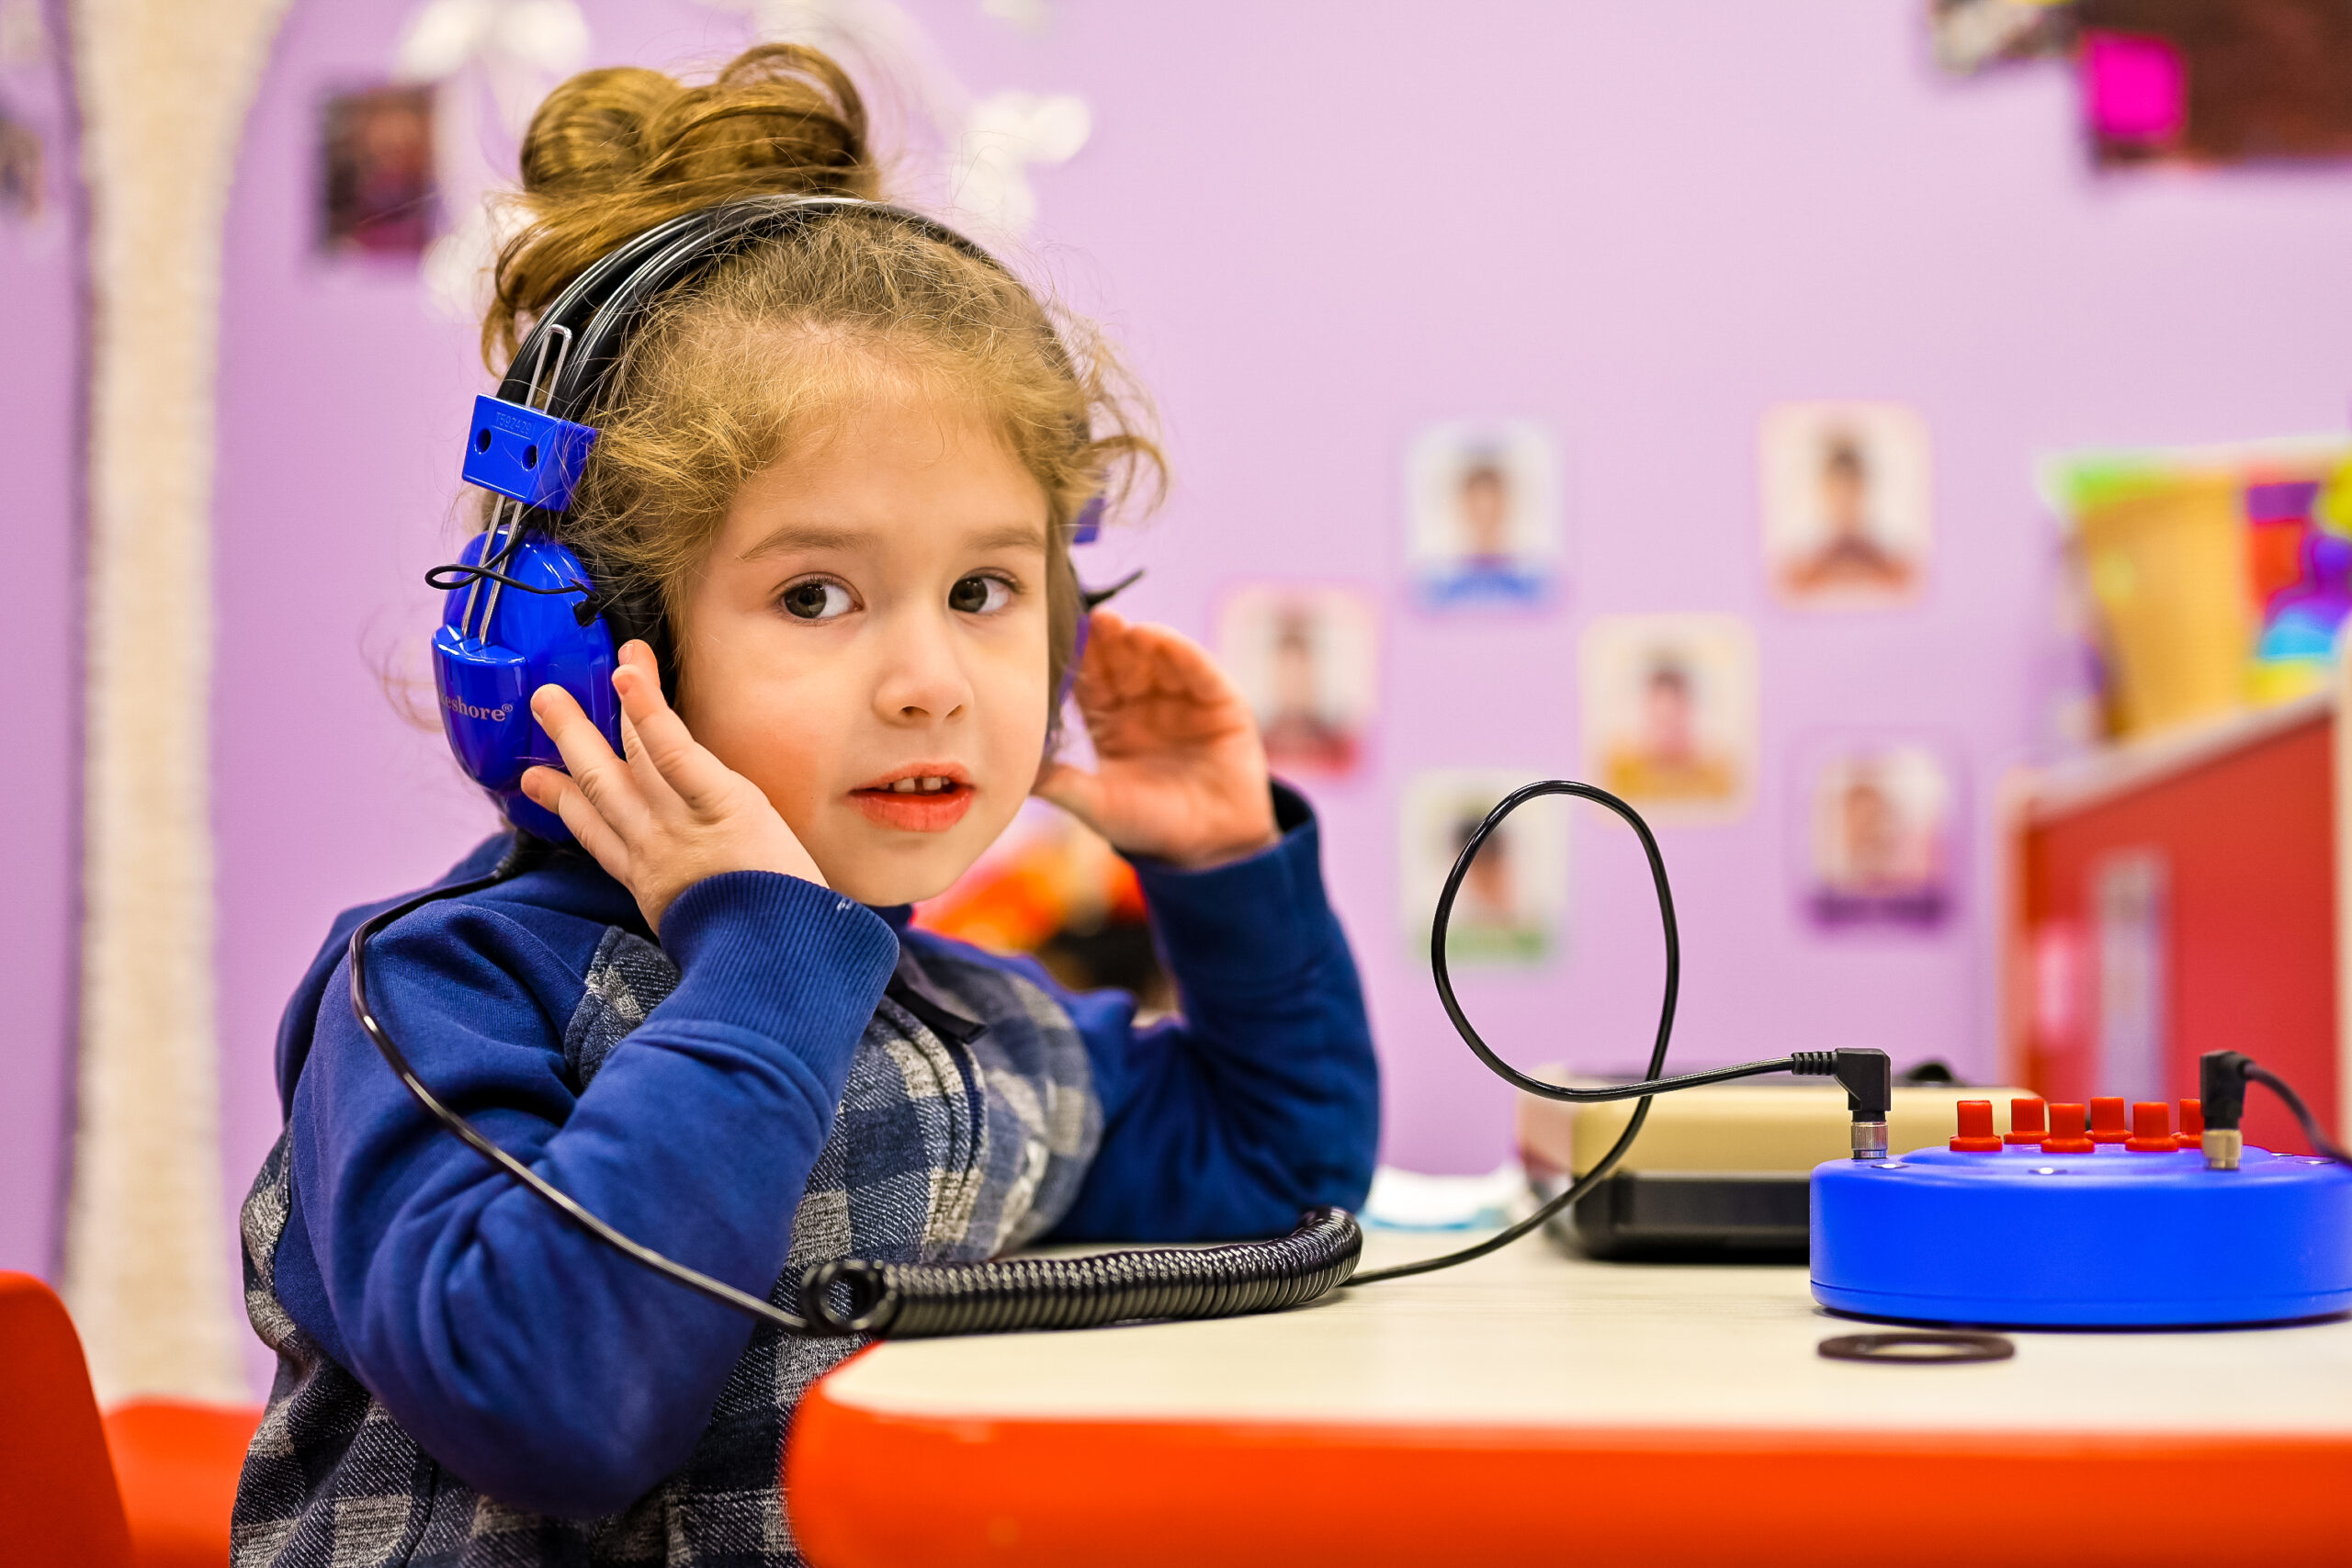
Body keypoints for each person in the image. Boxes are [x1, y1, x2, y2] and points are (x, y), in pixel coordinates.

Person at [232, 44, 1377, 1567]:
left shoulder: (985, 1027)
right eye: (817, 593)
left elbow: (1280, 1187)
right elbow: (549, 1392)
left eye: (984, 590)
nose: (929, 681)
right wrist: (769, 958)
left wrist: (1231, 875)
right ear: (591, 642)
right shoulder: (437, 993)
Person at [1781, 432, 1914, 599]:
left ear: (1863, 491)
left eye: (1851, 490)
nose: (1844, 501)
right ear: (1825, 493)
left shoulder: (1894, 566)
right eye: (1837, 491)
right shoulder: (1801, 570)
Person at [1602, 656, 1735, 803]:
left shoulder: (1714, 772)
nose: (1666, 731)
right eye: (1660, 719)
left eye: (1674, 717)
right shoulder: (1623, 769)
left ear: (1688, 711)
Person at [1256, 604, 1356, 773]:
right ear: (1275, 677)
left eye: (1301, 674)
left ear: (1314, 676)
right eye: (1287, 673)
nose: (1294, 684)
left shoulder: (1339, 746)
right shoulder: (1255, 743)